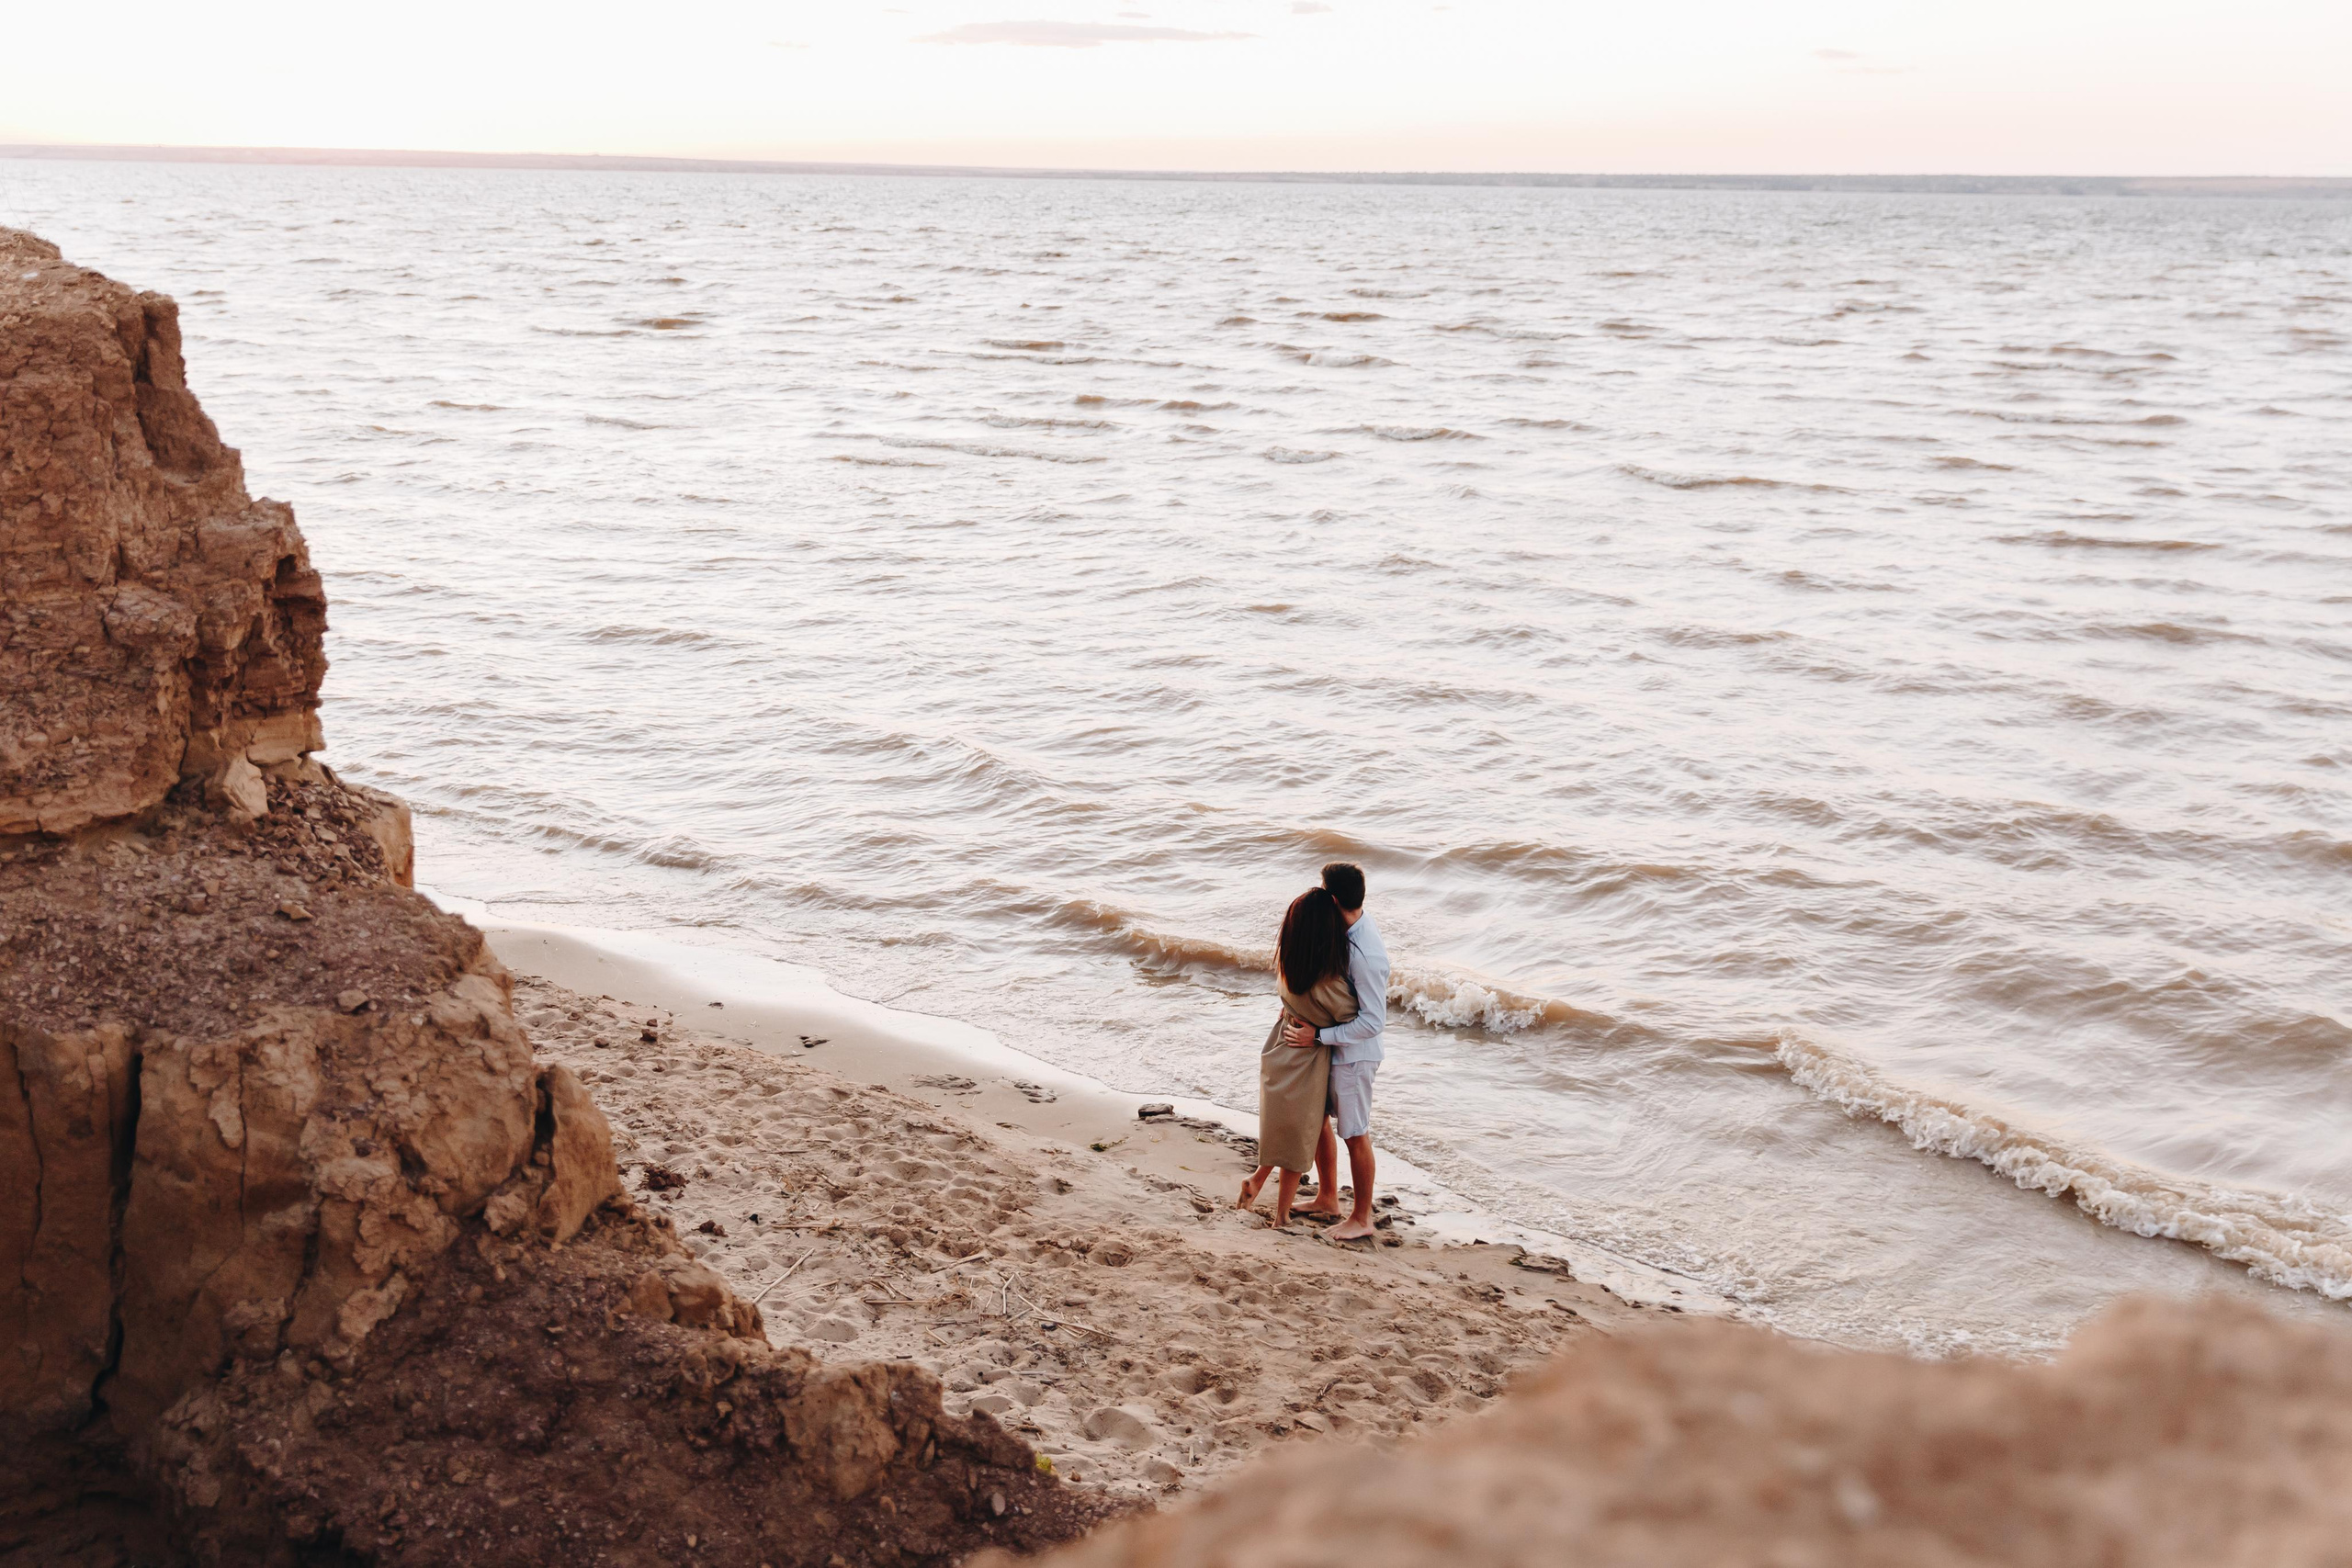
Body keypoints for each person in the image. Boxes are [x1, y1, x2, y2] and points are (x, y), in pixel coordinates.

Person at [1238, 886, 1357, 1228]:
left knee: (1304, 1127)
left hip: (1280, 1048)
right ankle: (1280, 1216)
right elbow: (1352, 1015)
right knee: (1298, 1138)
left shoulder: (1288, 965)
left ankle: (1264, 1181)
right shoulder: (1327, 980)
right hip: (1307, 1060)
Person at [1284, 861, 1386, 1242]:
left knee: (1355, 1133)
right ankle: (1328, 1198)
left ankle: (1362, 1217)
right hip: (1334, 1047)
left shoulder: (1367, 954)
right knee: (1319, 1119)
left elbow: (1373, 1021)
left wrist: (1318, 1036)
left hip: (1356, 1056)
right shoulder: (1345, 928)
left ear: (1332, 897)